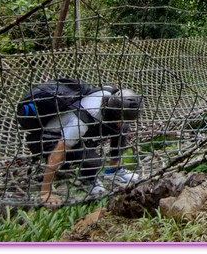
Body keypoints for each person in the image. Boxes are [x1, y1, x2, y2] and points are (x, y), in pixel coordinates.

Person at [18, 80, 143, 209]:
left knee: (122, 129)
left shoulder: (109, 95)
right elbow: (57, 153)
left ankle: (114, 169)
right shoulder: (82, 119)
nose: (121, 122)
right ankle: (88, 179)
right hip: (51, 140)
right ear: (114, 112)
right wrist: (46, 192)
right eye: (120, 118)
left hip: (80, 128)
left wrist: (121, 122)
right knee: (93, 161)